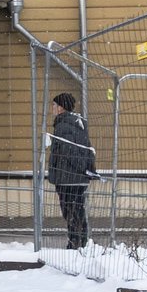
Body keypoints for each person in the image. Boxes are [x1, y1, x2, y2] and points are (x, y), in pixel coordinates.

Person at [47, 92, 95, 249]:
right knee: (77, 211)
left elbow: (69, 151)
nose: (52, 108)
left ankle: (75, 244)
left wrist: (79, 169)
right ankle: (81, 242)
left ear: (61, 107)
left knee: (71, 212)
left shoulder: (64, 126)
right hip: (76, 178)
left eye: (54, 105)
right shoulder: (77, 123)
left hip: (68, 178)